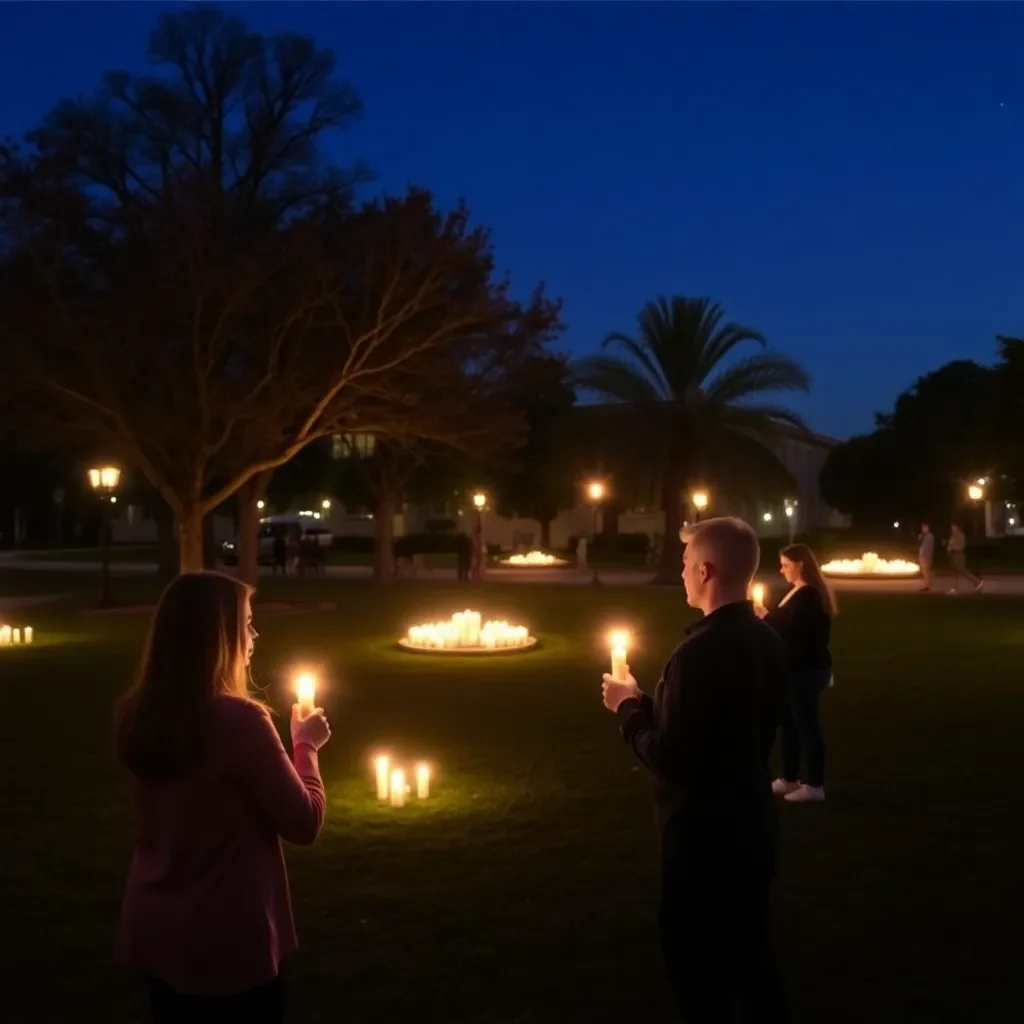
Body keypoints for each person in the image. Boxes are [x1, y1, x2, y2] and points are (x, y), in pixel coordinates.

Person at [114, 572, 331, 1023]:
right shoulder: (240, 721)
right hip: (227, 936)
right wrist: (305, 747)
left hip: (158, 925)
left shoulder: (141, 713)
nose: (254, 635)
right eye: (247, 623)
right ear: (219, 634)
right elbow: (304, 822)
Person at [602, 517, 788, 1022]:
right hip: (751, 827)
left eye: (685, 565)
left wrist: (625, 713)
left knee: (697, 973)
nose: (682, 572)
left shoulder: (698, 653)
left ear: (705, 571)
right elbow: (714, 727)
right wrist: (642, 700)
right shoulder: (766, 639)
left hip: (701, 842)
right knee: (753, 962)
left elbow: (673, 758)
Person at [756, 543, 835, 804]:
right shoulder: (800, 593)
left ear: (800, 565)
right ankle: (789, 778)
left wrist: (765, 614)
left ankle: (814, 785)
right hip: (794, 669)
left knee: (806, 726)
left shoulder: (809, 596)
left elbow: (795, 631)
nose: (781, 570)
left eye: (786, 565)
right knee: (788, 724)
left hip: (805, 671)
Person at [946, 522, 982, 594]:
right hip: (955, 555)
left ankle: (977, 582)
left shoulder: (959, 535)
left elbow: (959, 546)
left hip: (958, 555)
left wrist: (951, 547)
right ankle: (954, 588)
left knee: (962, 570)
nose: (952, 529)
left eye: (954, 527)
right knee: (955, 572)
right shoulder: (956, 535)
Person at [918, 523, 936, 592]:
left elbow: (929, 548)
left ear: (928, 528)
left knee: (927, 571)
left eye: (925, 527)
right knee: (925, 572)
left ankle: (927, 586)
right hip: (922, 556)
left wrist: (928, 557)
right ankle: (927, 585)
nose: (923, 529)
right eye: (922, 527)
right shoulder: (922, 536)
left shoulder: (930, 536)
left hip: (926, 556)